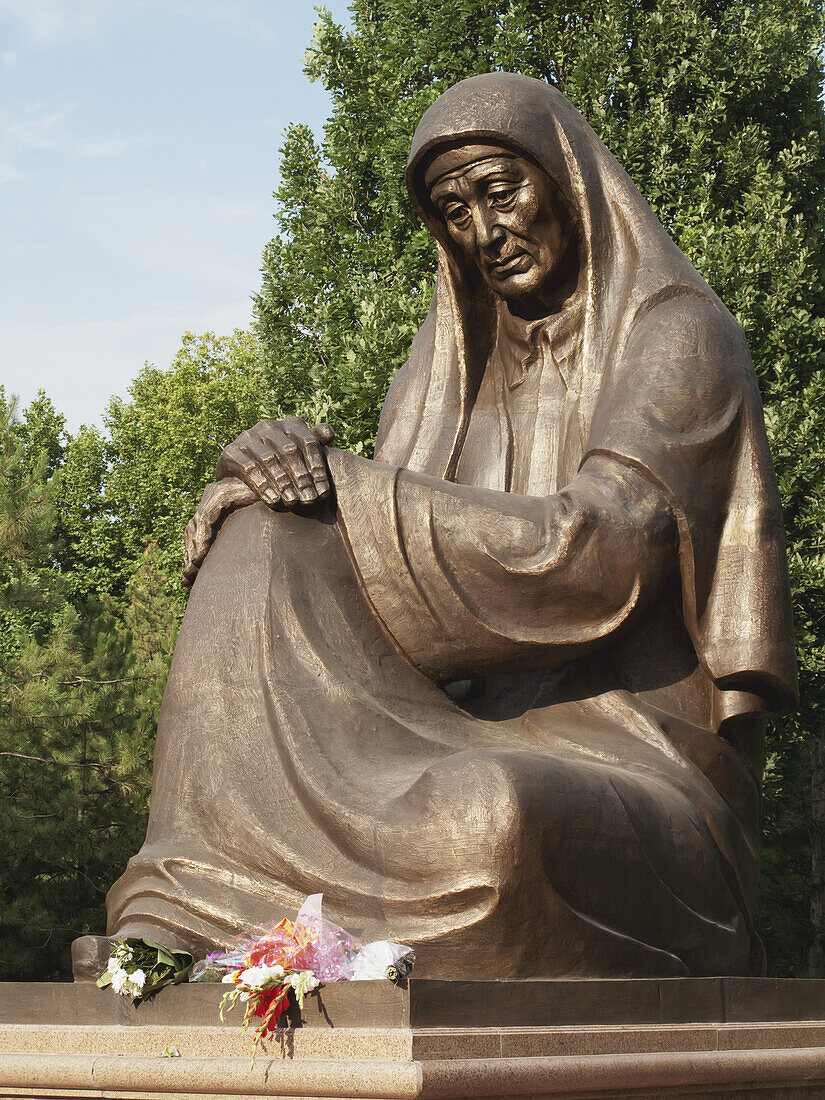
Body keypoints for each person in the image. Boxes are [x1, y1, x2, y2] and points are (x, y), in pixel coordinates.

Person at [89, 73, 796, 979]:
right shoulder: (440, 380)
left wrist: (352, 495)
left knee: (491, 815)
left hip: (642, 766)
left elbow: (603, 556)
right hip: (447, 731)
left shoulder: (679, 338)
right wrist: (277, 484)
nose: (484, 231)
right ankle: (183, 903)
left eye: (501, 191)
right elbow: (381, 593)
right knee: (269, 524)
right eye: (454, 210)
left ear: (567, 181)